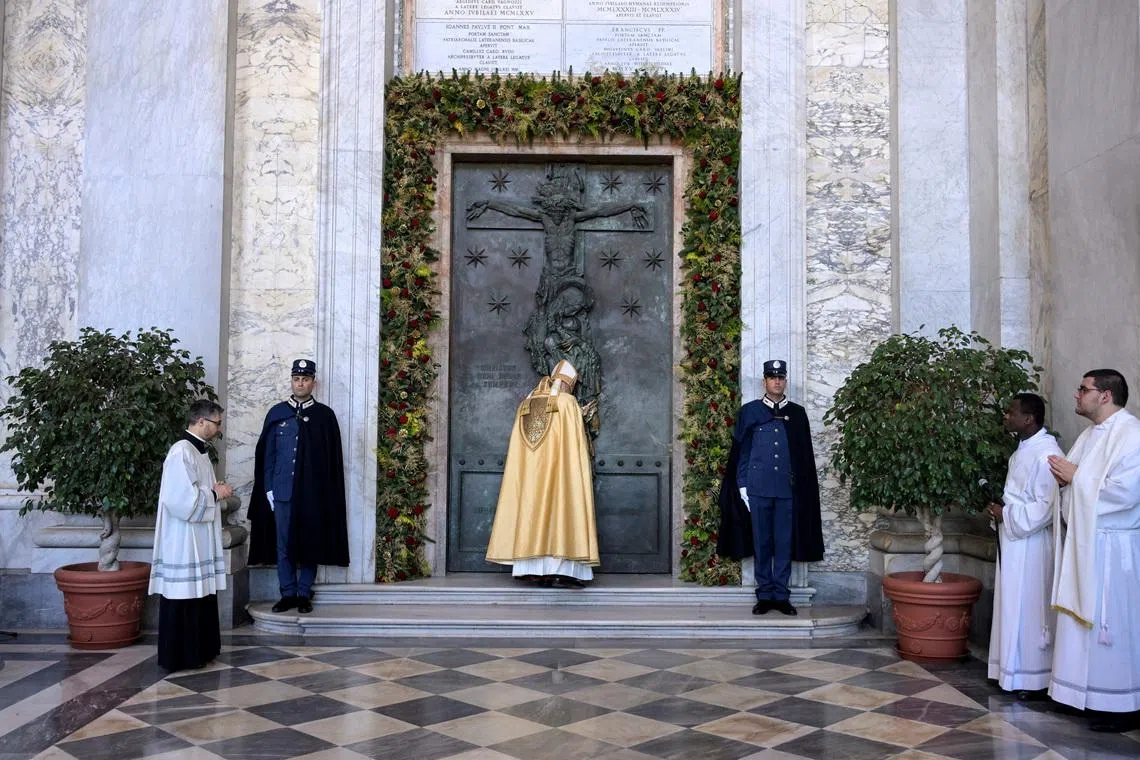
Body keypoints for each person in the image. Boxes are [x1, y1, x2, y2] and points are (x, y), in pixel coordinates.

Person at [1047, 369, 1140, 732]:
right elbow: (1077, 480)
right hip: (1086, 540)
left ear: (1105, 395)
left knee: (1110, 623)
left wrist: (1074, 477)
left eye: (1083, 389)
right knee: (1080, 621)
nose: (1076, 395)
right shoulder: (1089, 435)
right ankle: (1081, 695)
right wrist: (1067, 479)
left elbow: (1126, 492)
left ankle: (1120, 705)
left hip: (1113, 549)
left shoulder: (1132, 434)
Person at [718, 360, 824, 615]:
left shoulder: (797, 414)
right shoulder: (750, 411)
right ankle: (765, 594)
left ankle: (781, 594)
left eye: (781, 377)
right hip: (758, 489)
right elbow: (742, 452)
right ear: (764, 382)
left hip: (786, 491)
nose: (777, 381)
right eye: (772, 378)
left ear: (785, 381)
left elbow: (803, 457)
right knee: (762, 542)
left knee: (784, 542)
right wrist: (742, 486)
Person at [485, 360, 599, 588]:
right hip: (560, 472)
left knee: (530, 510)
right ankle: (562, 571)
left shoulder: (526, 403)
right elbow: (574, 444)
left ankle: (531, 569)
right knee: (562, 512)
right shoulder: (567, 403)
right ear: (569, 382)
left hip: (530, 477)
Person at [248, 359, 349, 614]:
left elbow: (331, 461)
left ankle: (304, 593)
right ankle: (288, 593)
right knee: (283, 544)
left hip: (313, 493)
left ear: (313, 382)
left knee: (310, 541)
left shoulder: (324, 416)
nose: (300, 383)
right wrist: (269, 489)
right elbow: (267, 455)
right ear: (291, 381)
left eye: (305, 379)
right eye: (296, 379)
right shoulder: (277, 413)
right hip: (283, 492)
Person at [986, 393, 1062, 698]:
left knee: (1029, 608)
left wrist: (1008, 514)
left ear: (1029, 419)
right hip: (1015, 539)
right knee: (1011, 604)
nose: (1006, 416)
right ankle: (1010, 671)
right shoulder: (1023, 450)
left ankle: (1032, 678)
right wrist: (1001, 510)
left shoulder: (1046, 453)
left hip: (1031, 544)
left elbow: (1046, 507)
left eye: (1011, 412)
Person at [149, 400, 231, 671]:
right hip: (183, 538)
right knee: (184, 594)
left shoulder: (200, 452)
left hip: (199, 536)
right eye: (217, 423)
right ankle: (180, 656)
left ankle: (201, 650)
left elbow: (196, 490)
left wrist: (212, 489)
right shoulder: (180, 452)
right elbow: (180, 499)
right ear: (201, 422)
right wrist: (215, 494)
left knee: (200, 595)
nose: (219, 429)